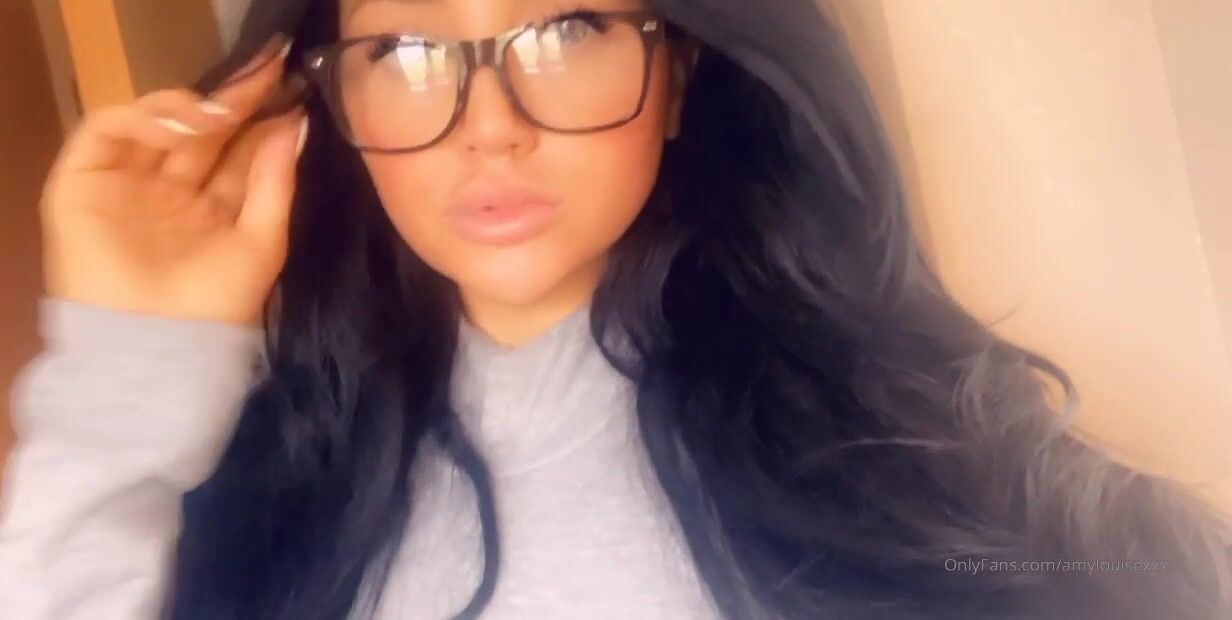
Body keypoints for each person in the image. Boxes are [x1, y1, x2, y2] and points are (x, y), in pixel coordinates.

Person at [1, 0, 1229, 618]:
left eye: (569, 27)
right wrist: (122, 386)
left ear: (677, 71)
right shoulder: (264, 494)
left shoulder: (937, 477)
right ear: (328, 104)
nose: (489, 126)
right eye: (404, 52)